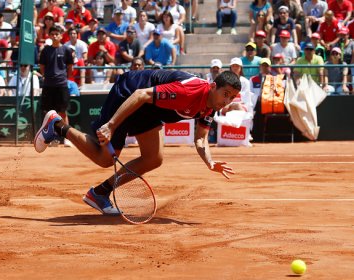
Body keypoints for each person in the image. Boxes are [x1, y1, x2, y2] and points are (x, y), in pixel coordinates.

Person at [34, 70, 241, 214]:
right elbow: (141, 94)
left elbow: (200, 139)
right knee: (104, 158)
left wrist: (210, 162)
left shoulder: (212, 106)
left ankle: (99, 193)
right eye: (225, 94)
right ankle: (57, 125)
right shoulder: (189, 92)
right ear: (213, 86)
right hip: (130, 93)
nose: (226, 101)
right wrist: (112, 125)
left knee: (153, 158)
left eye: (231, 97)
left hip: (149, 109)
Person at [39, 25, 74, 146]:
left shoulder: (66, 50)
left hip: (62, 85)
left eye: (57, 34)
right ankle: (50, 138)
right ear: (49, 36)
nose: (54, 36)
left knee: (63, 112)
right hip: (48, 85)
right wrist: (48, 77)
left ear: (61, 36)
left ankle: (67, 138)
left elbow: (70, 67)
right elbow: (42, 67)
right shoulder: (45, 50)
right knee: (49, 113)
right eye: (52, 34)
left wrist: (64, 78)